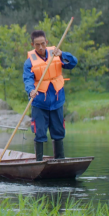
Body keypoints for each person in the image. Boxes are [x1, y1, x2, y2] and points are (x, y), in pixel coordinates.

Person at [23, 30, 77, 161]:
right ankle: (39, 161)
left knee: (58, 132)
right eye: (37, 45)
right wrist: (31, 91)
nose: (40, 47)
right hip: (39, 102)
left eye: (42, 44)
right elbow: (28, 79)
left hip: (57, 101)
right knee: (39, 133)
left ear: (46, 42)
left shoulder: (56, 54)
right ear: (32, 44)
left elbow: (73, 63)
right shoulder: (29, 62)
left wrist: (63, 54)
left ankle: (60, 161)